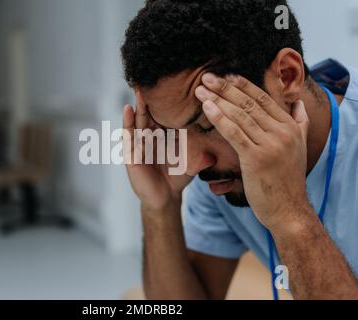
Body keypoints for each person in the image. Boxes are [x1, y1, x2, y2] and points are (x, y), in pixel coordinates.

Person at [120, 0, 358, 300]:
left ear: (287, 76)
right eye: (171, 131)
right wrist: (160, 208)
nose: (192, 164)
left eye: (208, 125)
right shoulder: (222, 170)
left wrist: (289, 213)